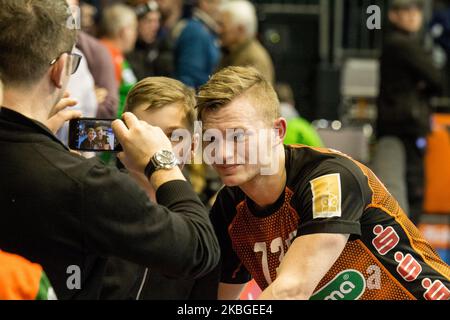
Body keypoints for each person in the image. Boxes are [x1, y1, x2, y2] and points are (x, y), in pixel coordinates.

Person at [0, 0, 219, 299]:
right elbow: (199, 249)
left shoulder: (77, 180)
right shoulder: (90, 188)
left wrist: (41, 148)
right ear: (61, 69)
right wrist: (161, 160)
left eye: (169, 137)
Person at [196, 66, 450, 300]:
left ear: (278, 131)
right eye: (212, 139)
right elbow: (220, 298)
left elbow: (292, 290)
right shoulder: (230, 206)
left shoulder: (329, 178)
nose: (223, 153)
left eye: (238, 136)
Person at [101, 77, 220, 299]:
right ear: (122, 137)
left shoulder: (201, 227)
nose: (155, 146)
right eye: (145, 133)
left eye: (172, 136)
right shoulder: (95, 199)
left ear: (193, 146)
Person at [378, 0, 444, 224]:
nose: (412, 16)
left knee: (407, 186)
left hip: (400, 124)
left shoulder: (398, 43)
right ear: (393, 16)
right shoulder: (402, 44)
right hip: (406, 125)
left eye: (415, 10)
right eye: (405, 11)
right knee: (413, 188)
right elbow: (437, 78)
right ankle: (411, 245)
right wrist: (423, 83)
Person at [217, 0, 275, 84]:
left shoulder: (254, 59)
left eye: (223, 25)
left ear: (240, 29)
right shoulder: (230, 51)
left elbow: (255, 94)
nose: (219, 30)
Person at [100, 3, 139, 116]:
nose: (135, 34)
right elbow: (108, 101)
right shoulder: (107, 55)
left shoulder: (116, 55)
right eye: (134, 29)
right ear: (124, 31)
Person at [173, 0, 221, 88]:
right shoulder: (196, 31)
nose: (219, 8)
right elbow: (189, 76)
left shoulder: (206, 30)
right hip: (197, 96)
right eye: (217, 3)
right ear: (204, 2)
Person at [127, 1, 174, 80]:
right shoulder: (128, 49)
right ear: (137, 23)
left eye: (157, 21)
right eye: (149, 21)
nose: (154, 27)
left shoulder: (162, 48)